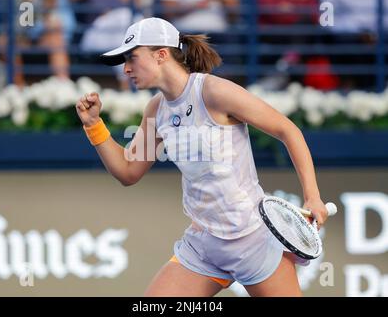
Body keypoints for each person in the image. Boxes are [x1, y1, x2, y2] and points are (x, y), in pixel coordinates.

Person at [76, 17, 329, 296]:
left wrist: (312, 196)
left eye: (132, 58)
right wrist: (93, 125)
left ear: (161, 55)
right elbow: (127, 172)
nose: (126, 68)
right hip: (203, 247)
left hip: (253, 240)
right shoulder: (156, 109)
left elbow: (287, 130)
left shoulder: (214, 91)